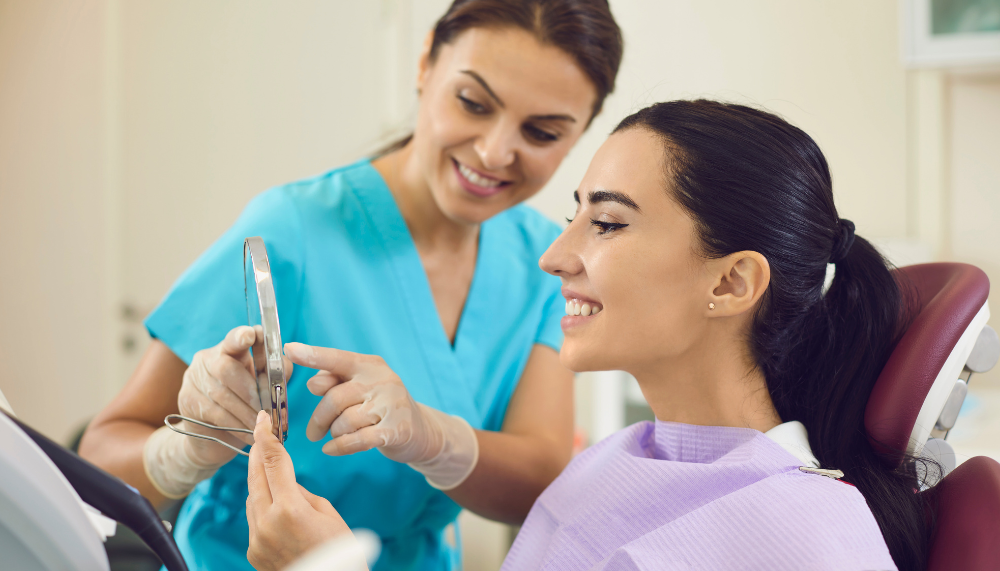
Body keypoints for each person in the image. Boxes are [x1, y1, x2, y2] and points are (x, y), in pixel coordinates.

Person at [244, 100, 935, 571]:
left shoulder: (807, 532)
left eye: (606, 223)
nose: (553, 255)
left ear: (729, 284)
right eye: (576, 214)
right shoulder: (610, 462)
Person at [77, 2, 623, 570]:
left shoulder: (547, 262)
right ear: (425, 64)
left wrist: (430, 437)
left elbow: (537, 481)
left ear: (582, 131)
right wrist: (188, 450)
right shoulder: (293, 231)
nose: (493, 151)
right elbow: (101, 457)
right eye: (473, 103)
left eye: (541, 132)